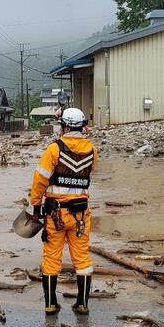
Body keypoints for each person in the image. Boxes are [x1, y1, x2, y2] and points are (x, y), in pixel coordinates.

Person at [29, 108, 97, 316]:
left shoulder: (54, 150)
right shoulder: (92, 150)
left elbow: (40, 179)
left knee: (51, 258)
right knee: (82, 258)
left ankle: (51, 304)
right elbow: (88, 172)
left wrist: (35, 204)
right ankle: (82, 304)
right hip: (81, 215)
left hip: (56, 214)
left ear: (65, 126)